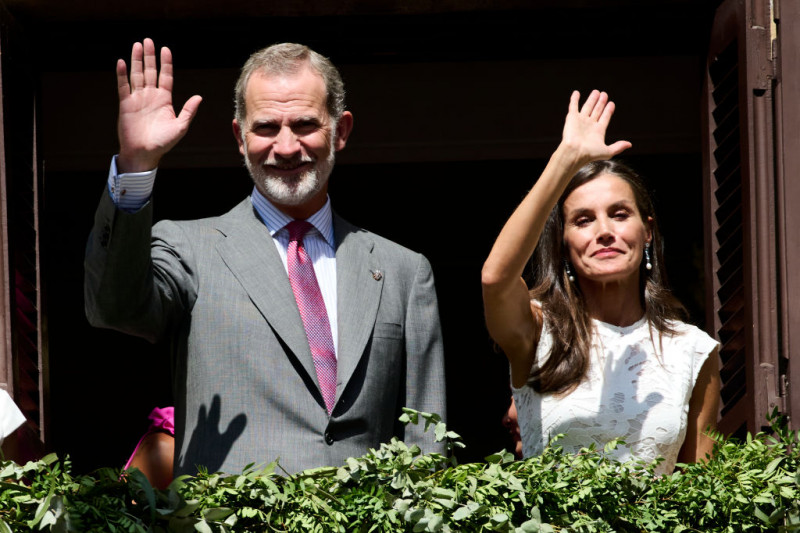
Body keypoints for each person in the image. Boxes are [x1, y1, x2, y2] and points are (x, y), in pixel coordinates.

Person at [85, 39, 446, 476]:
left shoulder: (403, 271)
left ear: (341, 131)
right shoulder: (190, 249)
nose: (288, 146)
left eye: (306, 124)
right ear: (240, 136)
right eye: (267, 127)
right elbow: (113, 307)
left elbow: (428, 445)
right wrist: (137, 165)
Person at [481, 90, 720, 475]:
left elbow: (700, 490)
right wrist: (565, 161)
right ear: (563, 243)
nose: (604, 231)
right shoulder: (537, 330)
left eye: (620, 214)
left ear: (647, 232)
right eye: (583, 220)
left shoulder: (693, 351)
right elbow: (495, 278)